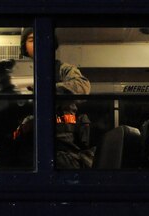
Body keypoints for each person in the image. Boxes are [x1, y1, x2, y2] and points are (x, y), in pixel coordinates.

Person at [10, 28, 93, 169]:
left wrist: (44, 88)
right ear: (25, 47)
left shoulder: (63, 69)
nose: (37, 43)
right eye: (31, 40)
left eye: (42, 38)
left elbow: (83, 86)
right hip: (27, 146)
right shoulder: (15, 75)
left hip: (62, 147)